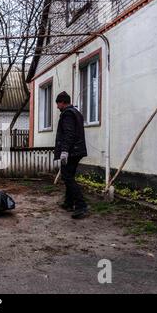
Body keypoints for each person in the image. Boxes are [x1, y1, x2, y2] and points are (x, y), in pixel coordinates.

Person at [54, 91, 89, 219]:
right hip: (76, 150)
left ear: (63, 102)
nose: (57, 106)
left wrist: (64, 151)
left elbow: (68, 133)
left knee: (67, 177)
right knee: (69, 176)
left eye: (58, 103)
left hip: (72, 151)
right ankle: (69, 203)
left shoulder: (68, 114)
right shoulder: (76, 112)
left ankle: (81, 206)